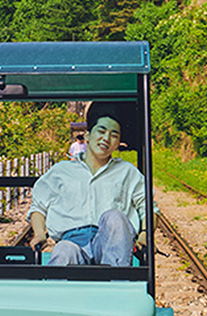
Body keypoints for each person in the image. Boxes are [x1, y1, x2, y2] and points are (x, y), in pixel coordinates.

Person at [28, 103, 147, 266]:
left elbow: (148, 207)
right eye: (102, 131)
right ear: (88, 136)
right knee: (63, 250)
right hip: (72, 240)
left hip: (111, 243)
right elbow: (38, 207)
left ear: (118, 143)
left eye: (114, 135)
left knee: (114, 217)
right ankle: (55, 290)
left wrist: (145, 233)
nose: (106, 138)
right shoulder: (61, 170)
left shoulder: (127, 172)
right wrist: (40, 234)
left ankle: (116, 283)